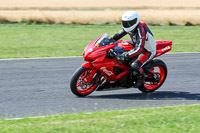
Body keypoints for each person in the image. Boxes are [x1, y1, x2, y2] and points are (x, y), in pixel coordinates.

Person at [110, 11, 156, 88]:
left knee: (134, 65)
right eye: (125, 22)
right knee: (117, 49)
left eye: (129, 22)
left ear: (135, 21)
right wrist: (108, 40)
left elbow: (139, 48)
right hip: (136, 44)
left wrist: (126, 55)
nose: (127, 25)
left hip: (147, 50)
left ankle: (140, 78)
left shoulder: (141, 31)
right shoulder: (129, 27)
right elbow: (118, 35)